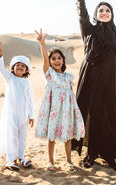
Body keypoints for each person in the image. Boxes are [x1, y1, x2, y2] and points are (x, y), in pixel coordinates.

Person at [71, 0, 116, 172]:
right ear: (97, 14)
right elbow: (81, 11)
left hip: (113, 82)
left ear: (112, 14)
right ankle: (91, 153)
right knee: (93, 116)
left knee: (112, 117)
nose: (104, 13)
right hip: (92, 81)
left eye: (108, 10)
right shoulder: (90, 31)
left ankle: (114, 155)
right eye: (101, 10)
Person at [34, 29, 85, 173]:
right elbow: (44, 59)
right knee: (52, 136)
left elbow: (70, 96)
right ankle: (50, 161)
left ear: (63, 60)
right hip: (53, 110)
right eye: (53, 58)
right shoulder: (49, 75)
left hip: (67, 110)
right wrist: (42, 43)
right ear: (50, 62)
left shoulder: (68, 77)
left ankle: (68, 161)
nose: (56, 60)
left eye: (59, 58)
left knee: (67, 136)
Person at [0, 42, 35, 171]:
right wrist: (0, 56)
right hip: (11, 114)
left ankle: (21, 158)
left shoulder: (27, 83)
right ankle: (11, 160)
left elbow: (30, 100)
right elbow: (1, 68)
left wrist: (31, 115)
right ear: (13, 67)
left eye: (23, 66)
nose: (20, 67)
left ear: (26, 70)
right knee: (11, 136)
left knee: (22, 137)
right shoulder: (10, 78)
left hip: (23, 115)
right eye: (17, 65)